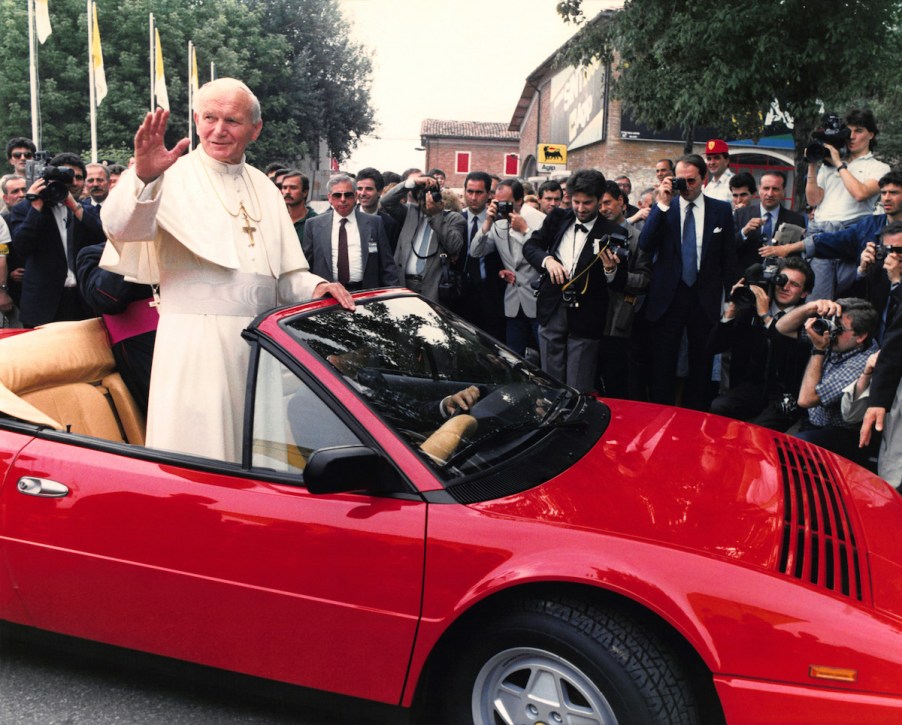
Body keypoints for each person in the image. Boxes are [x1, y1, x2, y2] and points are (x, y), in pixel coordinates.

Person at [100, 78, 353, 463]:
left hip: (255, 344)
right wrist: (144, 177)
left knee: (254, 452)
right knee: (197, 453)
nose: (219, 130)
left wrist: (317, 287)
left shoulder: (266, 188)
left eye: (232, 120)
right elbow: (121, 227)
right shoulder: (171, 174)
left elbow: (282, 277)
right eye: (209, 118)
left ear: (255, 129)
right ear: (197, 120)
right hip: (192, 344)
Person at [638, 153, 737, 409]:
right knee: (663, 364)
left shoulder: (721, 210)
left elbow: (728, 259)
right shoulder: (665, 208)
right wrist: (661, 203)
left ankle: (696, 417)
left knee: (701, 364)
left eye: (691, 181)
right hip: (668, 298)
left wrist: (732, 298)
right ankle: (661, 416)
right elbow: (645, 244)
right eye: (679, 180)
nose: (685, 187)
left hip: (704, 297)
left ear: (704, 179)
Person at [523, 169, 625, 392]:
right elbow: (531, 246)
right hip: (552, 310)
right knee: (550, 387)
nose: (580, 208)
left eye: (587, 203)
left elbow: (620, 283)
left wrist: (611, 270)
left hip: (587, 317)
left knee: (578, 388)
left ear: (599, 200)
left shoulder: (615, 232)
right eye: (576, 202)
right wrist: (548, 261)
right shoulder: (558, 218)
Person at [708, 257, 813, 430]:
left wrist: (766, 316)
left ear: (804, 293)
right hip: (752, 387)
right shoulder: (751, 310)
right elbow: (714, 346)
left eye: (794, 284)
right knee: (718, 406)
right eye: (782, 280)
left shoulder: (807, 320)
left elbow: (791, 351)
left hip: (785, 394)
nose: (785, 287)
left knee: (759, 430)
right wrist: (732, 310)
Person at [776, 296, 879, 465]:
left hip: (843, 436)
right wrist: (811, 307)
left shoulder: (861, 363)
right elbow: (782, 328)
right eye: (831, 322)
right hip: (814, 422)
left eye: (838, 329)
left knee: (789, 450)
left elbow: (806, 400)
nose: (830, 332)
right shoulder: (842, 340)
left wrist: (819, 350)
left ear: (860, 336)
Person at [9, 152, 106, 327]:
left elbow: (103, 238)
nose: (73, 183)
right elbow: (22, 247)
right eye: (68, 177)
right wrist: (36, 207)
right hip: (43, 305)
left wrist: (75, 208)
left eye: (78, 177)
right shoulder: (26, 209)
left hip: (84, 300)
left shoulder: (87, 211)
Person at [804, 109, 891, 300]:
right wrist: (812, 163)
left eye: (858, 131)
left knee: (849, 297)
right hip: (822, 231)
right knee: (818, 300)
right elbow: (813, 200)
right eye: (848, 131)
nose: (851, 137)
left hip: (854, 232)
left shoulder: (879, 167)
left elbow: (860, 194)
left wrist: (839, 164)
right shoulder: (829, 164)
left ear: (871, 134)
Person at [76, 243, 157, 416]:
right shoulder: (91, 254)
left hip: (189, 338)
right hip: (142, 349)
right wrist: (133, 244)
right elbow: (105, 299)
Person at [469, 178, 546, 355]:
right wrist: (487, 222)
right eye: (497, 202)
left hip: (537, 299)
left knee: (545, 355)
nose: (502, 207)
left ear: (519, 200)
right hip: (513, 300)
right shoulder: (497, 223)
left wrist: (524, 231)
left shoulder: (539, 220)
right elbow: (475, 251)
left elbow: (544, 256)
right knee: (514, 355)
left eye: (506, 203)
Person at [597, 180, 652, 398]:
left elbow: (645, 279)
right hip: (590, 319)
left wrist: (615, 275)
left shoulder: (638, 238)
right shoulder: (592, 232)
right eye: (600, 204)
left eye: (608, 203)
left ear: (621, 201)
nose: (603, 209)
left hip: (621, 320)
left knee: (618, 383)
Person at [301, 173, 398, 290]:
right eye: (337, 195)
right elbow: (307, 265)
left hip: (365, 292)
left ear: (356, 196)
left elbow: (387, 265)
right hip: (328, 294)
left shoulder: (374, 223)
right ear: (330, 198)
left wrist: (393, 294)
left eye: (348, 195)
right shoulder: (313, 225)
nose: (343, 200)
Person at [381, 172, 465, 302]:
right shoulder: (410, 212)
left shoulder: (453, 218)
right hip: (403, 285)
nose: (426, 200)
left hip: (432, 289)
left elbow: (454, 246)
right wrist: (413, 182)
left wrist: (436, 215)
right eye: (422, 195)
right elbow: (386, 201)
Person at [454, 171, 505, 339]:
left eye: (479, 192)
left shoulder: (498, 222)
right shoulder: (455, 219)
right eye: (470, 191)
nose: (473, 197)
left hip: (489, 289)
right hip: (459, 290)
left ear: (488, 194)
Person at [734, 171, 806, 271]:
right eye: (766, 188)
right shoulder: (740, 214)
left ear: (783, 191)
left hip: (780, 279)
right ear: (759, 189)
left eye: (775, 189)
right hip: (746, 276)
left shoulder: (795, 219)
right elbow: (729, 246)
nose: (770, 194)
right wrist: (744, 231)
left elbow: (796, 256)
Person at [281, 169, 317, 243]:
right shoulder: (278, 219)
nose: (287, 192)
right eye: (284, 188)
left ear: (305, 192)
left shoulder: (315, 222)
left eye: (293, 188)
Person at [702, 139, 734, 203]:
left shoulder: (734, 182)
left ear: (726, 161)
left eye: (716, 158)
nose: (712, 162)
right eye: (709, 158)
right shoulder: (709, 186)